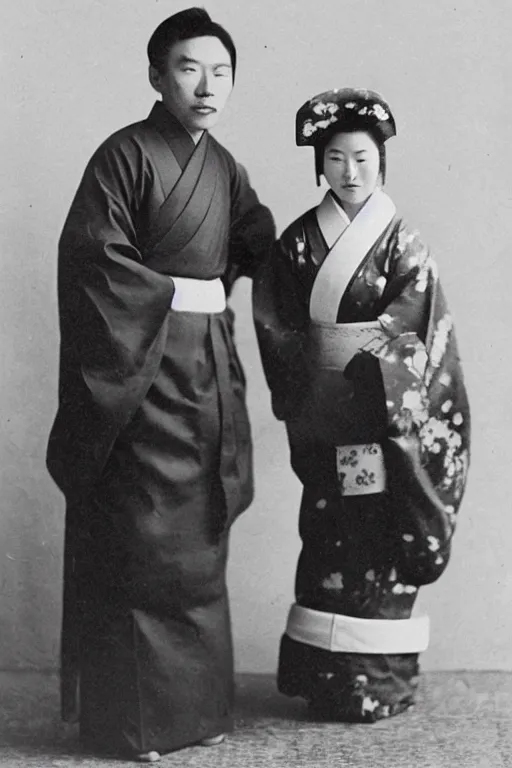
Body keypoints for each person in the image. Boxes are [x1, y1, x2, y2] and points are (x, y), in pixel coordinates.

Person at [46, 7, 275, 762]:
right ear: (155, 76)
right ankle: (135, 724)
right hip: (139, 367)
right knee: (143, 537)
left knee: (197, 539)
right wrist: (168, 304)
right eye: (188, 68)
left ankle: (196, 712)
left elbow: (258, 242)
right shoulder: (125, 155)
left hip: (203, 367)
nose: (207, 86)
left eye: (222, 71)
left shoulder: (221, 165)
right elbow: (92, 257)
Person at [253, 88, 470, 722]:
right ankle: (324, 677)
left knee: (378, 530)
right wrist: (312, 385)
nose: (351, 171)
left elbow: (419, 329)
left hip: (379, 416)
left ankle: (380, 680)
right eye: (338, 158)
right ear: (321, 163)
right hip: (324, 414)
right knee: (326, 527)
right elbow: (278, 321)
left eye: (364, 159)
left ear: (382, 164)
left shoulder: (404, 243)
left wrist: (375, 379)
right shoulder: (296, 243)